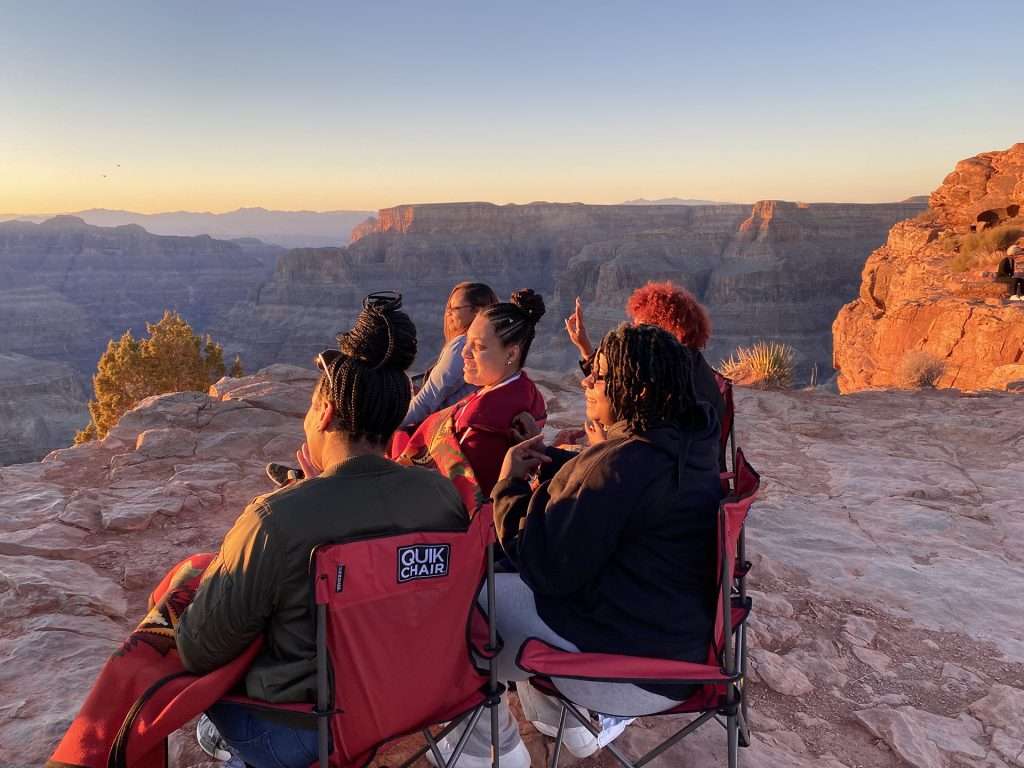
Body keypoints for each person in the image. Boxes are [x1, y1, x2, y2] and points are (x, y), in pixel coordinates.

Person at [176, 292, 468, 768]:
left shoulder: (276, 520)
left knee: (199, 688)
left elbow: (200, 647)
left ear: (326, 413)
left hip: (308, 729)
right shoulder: (441, 496)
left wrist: (305, 501)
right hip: (415, 700)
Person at [431, 323, 723, 766]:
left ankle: (489, 752)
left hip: (629, 667)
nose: (586, 380)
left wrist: (509, 485)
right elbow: (615, 497)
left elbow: (546, 566)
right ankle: (570, 728)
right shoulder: (685, 443)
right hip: (672, 638)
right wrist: (562, 465)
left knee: (457, 603)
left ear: (638, 391)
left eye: (600, 376)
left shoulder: (624, 463)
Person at [398, 289, 548, 498]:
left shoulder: (482, 422)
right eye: (466, 342)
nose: (464, 353)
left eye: (478, 347)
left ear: (511, 354)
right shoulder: (525, 392)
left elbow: (464, 495)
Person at [562, 282, 726, 448]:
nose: (635, 334)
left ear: (664, 332)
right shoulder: (684, 365)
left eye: (642, 328)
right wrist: (586, 349)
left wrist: (603, 446)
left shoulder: (681, 388)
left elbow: (657, 452)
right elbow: (625, 381)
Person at [401, 282, 498, 429]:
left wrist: (389, 426)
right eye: (448, 308)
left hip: (444, 432)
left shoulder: (462, 345)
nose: (448, 313)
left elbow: (426, 401)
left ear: (477, 311)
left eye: (455, 308)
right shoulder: (494, 345)